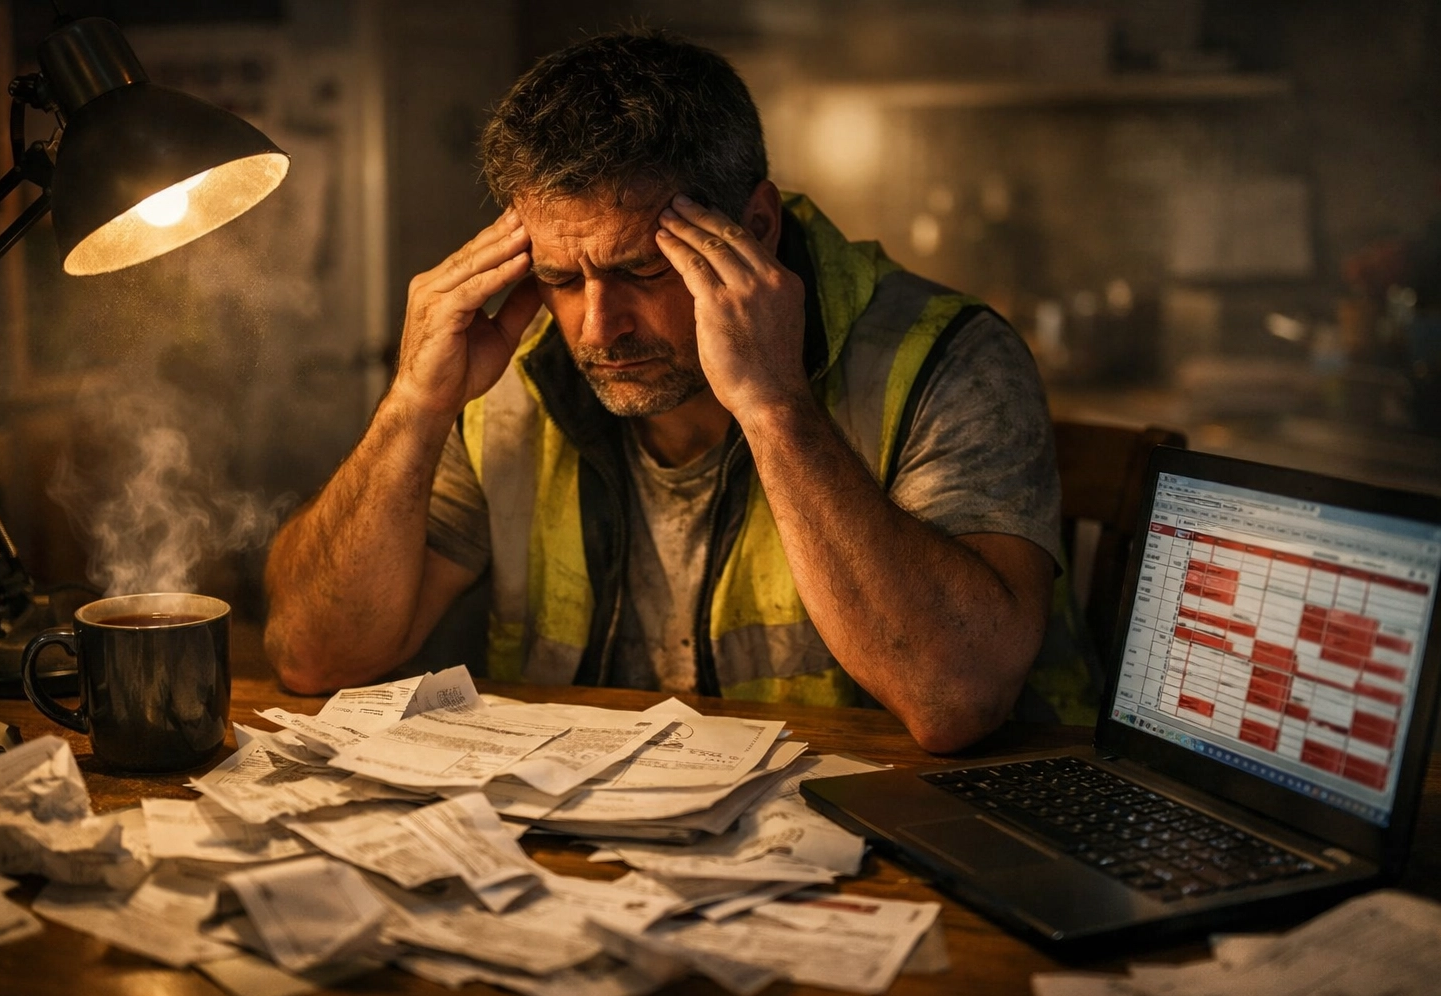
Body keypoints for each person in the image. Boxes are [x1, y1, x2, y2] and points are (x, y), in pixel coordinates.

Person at [264, 30, 1073, 753]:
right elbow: (313, 655)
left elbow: (957, 699)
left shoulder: (949, 356)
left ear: (755, 227)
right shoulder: (515, 362)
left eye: (641, 270)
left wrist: (775, 406)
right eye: (558, 277)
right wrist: (414, 404)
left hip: (893, 850)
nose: (595, 329)